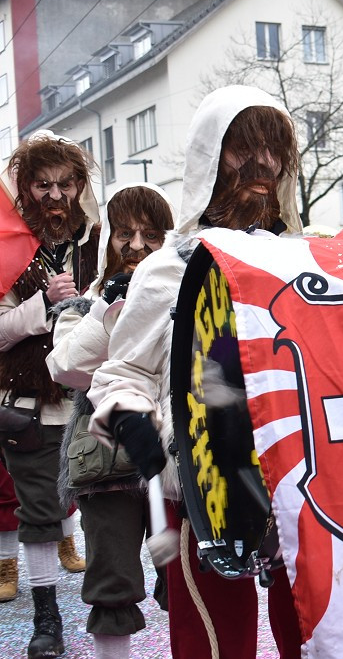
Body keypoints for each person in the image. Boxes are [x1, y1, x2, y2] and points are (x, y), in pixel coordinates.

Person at [86, 86, 305, 658]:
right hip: (209, 487)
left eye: (274, 150)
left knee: (314, 637)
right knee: (213, 646)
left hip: (300, 487)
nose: (262, 166)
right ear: (213, 157)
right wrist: (130, 416)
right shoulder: (171, 267)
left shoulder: (304, 261)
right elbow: (124, 371)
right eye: (243, 149)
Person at [46, 183, 174, 659]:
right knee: (112, 584)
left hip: (174, 461)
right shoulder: (84, 305)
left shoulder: (183, 295)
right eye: (125, 233)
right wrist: (106, 309)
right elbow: (65, 368)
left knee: (184, 579)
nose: (137, 246)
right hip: (107, 463)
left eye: (151, 234)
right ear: (108, 241)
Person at [0, 130, 100, 659]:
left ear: (79, 185)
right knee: (39, 515)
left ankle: (120, 600)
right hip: (33, 406)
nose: (56, 196)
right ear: (25, 186)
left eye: (65, 184)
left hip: (97, 398)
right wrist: (42, 304)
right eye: (43, 185)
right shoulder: (8, 245)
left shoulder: (102, 240)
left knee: (113, 503)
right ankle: (47, 619)